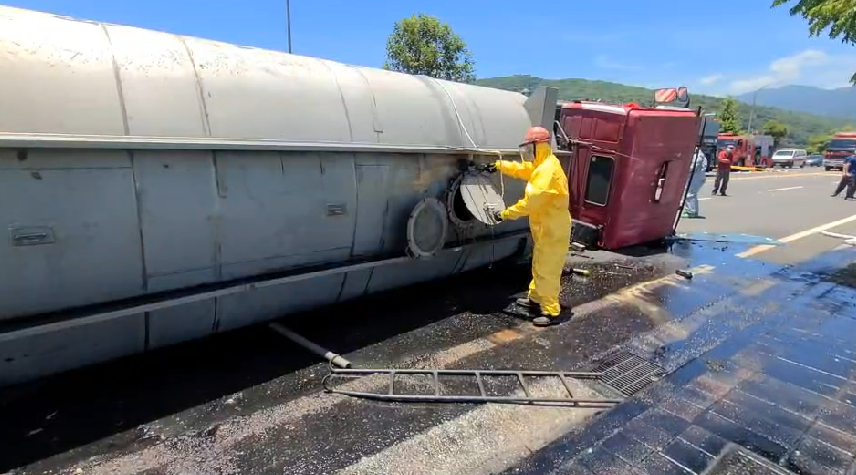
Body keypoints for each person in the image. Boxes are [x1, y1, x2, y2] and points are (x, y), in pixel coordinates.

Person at [480, 126, 571, 327]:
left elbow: (530, 203)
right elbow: (524, 170)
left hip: (553, 230)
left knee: (548, 270)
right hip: (545, 228)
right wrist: (499, 165)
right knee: (539, 264)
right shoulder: (543, 165)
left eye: (529, 148)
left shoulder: (548, 172)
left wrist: (503, 214)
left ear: (539, 146)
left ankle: (551, 311)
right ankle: (536, 299)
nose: (527, 153)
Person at [683, 148, 708, 218]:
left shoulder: (698, 155)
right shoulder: (695, 154)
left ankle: (691, 211)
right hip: (694, 177)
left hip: (696, 177)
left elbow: (693, 166)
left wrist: (684, 169)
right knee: (690, 194)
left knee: (690, 194)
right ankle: (692, 211)